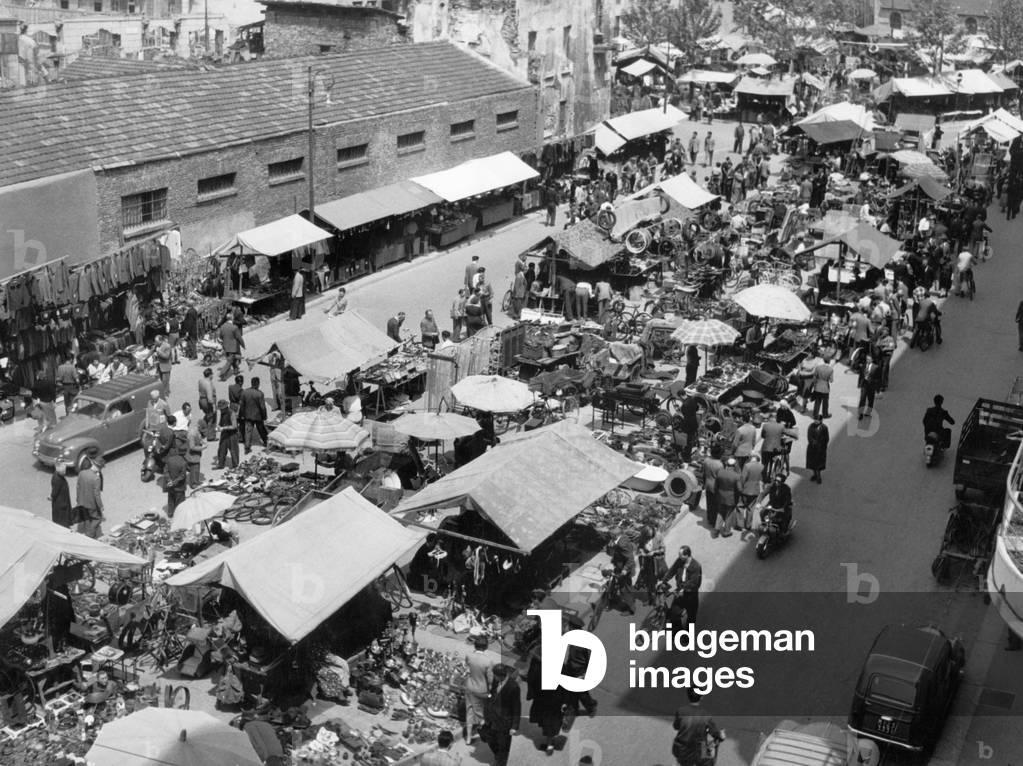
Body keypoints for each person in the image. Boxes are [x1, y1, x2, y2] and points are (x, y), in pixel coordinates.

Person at [526, 646, 566, 756]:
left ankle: (550, 744)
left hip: (542, 699)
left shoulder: (536, 665)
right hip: (555, 697)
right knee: (553, 720)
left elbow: (530, 678)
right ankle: (551, 741)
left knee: (547, 722)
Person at [672, 689, 724, 766]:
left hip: (681, 748)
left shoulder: (680, 711)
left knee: (684, 761)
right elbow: (715, 733)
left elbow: (676, 726)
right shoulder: (705, 715)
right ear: (701, 697)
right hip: (698, 750)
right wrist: (721, 735)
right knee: (708, 761)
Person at [483, 665, 520, 766]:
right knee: (490, 739)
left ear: (500, 675)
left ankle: (500, 762)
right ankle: (498, 756)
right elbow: (491, 696)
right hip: (492, 718)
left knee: (503, 745)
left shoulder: (513, 687)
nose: (493, 678)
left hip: (504, 722)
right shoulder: (496, 681)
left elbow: (516, 707)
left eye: (495, 676)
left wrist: (514, 726)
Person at [463, 636, 496, 744]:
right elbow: (490, 679)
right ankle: (483, 732)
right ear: (486, 647)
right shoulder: (488, 661)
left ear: (475, 645)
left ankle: (468, 737)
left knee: (470, 711)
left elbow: (467, 666)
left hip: (469, 686)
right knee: (481, 712)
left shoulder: (469, 656)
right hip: (481, 689)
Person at [661, 546, 702, 625]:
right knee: (673, 614)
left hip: (691, 595)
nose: (679, 557)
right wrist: (663, 580)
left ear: (687, 555)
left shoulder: (696, 566)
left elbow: (694, 583)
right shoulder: (680, 561)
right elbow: (672, 570)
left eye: (681, 555)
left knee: (691, 617)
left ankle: (688, 636)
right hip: (680, 592)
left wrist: (682, 589)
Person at [608, 526, 637, 614]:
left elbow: (630, 559)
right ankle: (632, 599)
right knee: (628, 586)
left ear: (615, 535)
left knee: (623, 590)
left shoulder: (622, 544)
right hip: (620, 566)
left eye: (611, 534)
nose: (610, 536)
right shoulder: (621, 539)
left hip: (624, 570)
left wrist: (625, 569)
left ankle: (631, 608)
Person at [637, 524, 667, 603]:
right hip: (647, 561)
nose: (648, 538)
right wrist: (641, 551)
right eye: (647, 537)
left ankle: (661, 598)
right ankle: (651, 598)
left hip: (657, 561)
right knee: (649, 580)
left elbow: (663, 549)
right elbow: (640, 547)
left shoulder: (658, 536)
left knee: (658, 580)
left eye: (650, 536)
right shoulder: (642, 538)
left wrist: (654, 552)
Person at [75, 456, 104, 538]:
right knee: (97, 519)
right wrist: (101, 506)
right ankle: (90, 535)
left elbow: (78, 487)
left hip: (81, 502)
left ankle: (83, 531)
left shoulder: (82, 473)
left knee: (86, 518)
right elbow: (96, 495)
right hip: (91, 505)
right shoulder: (96, 478)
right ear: (98, 467)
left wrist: (78, 499)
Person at [240, 377, 268, 454]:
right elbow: (262, 407)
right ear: (258, 384)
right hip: (258, 416)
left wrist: (242, 414)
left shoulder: (245, 392)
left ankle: (247, 447)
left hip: (248, 415)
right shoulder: (260, 394)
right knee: (261, 429)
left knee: (248, 431)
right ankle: (266, 442)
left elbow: (242, 405)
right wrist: (264, 416)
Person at [715, 458, 741, 537]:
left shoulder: (720, 472)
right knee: (729, 514)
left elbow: (716, 485)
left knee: (720, 512)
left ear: (727, 464)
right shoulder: (736, 476)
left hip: (721, 496)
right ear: (734, 466)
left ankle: (716, 529)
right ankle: (726, 531)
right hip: (731, 498)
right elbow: (739, 489)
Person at [738, 454, 764, 532]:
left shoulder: (747, 466)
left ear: (751, 458)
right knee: (750, 508)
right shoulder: (762, 466)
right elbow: (761, 479)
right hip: (755, 490)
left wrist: (740, 488)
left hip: (745, 489)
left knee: (740, 506)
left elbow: (742, 478)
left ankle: (740, 525)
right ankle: (748, 525)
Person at [217, 316, 244, 381]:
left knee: (233, 359)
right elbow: (239, 337)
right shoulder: (234, 327)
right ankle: (222, 374)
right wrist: (243, 345)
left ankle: (236, 370)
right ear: (232, 319)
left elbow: (220, 336)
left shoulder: (222, 327)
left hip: (225, 347)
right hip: (233, 347)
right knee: (229, 362)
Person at [215, 400, 241, 470]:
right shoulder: (222, 413)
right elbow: (221, 422)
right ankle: (221, 464)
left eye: (221, 409)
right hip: (224, 433)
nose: (220, 410)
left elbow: (234, 426)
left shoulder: (231, 413)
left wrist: (223, 428)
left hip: (232, 434)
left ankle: (235, 465)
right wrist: (218, 427)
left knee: (233, 450)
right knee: (222, 449)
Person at [163, 445, 187, 518]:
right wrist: (174, 482)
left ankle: (170, 514)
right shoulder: (183, 462)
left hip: (170, 486)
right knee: (179, 502)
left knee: (171, 500)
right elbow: (182, 476)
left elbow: (166, 471)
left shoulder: (169, 460)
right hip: (179, 487)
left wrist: (170, 481)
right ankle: (178, 517)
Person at [858, 353, 882, 421]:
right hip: (864, 385)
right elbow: (861, 375)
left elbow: (879, 379)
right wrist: (859, 384)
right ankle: (860, 414)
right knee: (862, 399)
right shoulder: (863, 366)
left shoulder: (876, 367)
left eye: (868, 359)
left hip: (871, 386)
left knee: (870, 400)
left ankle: (868, 411)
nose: (867, 360)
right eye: (866, 359)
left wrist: (878, 389)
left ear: (872, 359)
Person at [806, 413, 829, 484]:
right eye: (815, 420)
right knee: (812, 463)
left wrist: (823, 446)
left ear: (821, 420)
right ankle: (815, 475)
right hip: (812, 448)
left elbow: (827, 438)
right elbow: (809, 437)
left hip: (821, 449)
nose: (816, 421)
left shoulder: (824, 427)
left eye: (817, 420)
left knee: (819, 464)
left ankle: (818, 476)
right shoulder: (811, 426)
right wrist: (814, 444)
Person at [50, 460, 73, 528]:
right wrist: (51, 496)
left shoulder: (57, 475)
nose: (65, 472)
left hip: (62, 502)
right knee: (62, 521)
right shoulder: (57, 479)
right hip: (61, 504)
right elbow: (55, 492)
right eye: (63, 471)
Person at [198, 368, 217, 441]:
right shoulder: (208, 384)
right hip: (208, 401)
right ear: (210, 375)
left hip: (201, 399)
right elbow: (210, 398)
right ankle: (211, 436)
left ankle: (202, 430)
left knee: (207, 416)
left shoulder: (201, 381)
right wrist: (214, 406)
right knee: (212, 418)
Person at [185, 418, 204, 488]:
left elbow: (200, 438)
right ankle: (193, 483)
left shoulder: (197, 431)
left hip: (196, 455)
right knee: (194, 468)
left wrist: (202, 442)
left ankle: (196, 481)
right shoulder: (192, 433)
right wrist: (203, 448)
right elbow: (192, 447)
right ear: (199, 426)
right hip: (192, 455)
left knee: (196, 468)